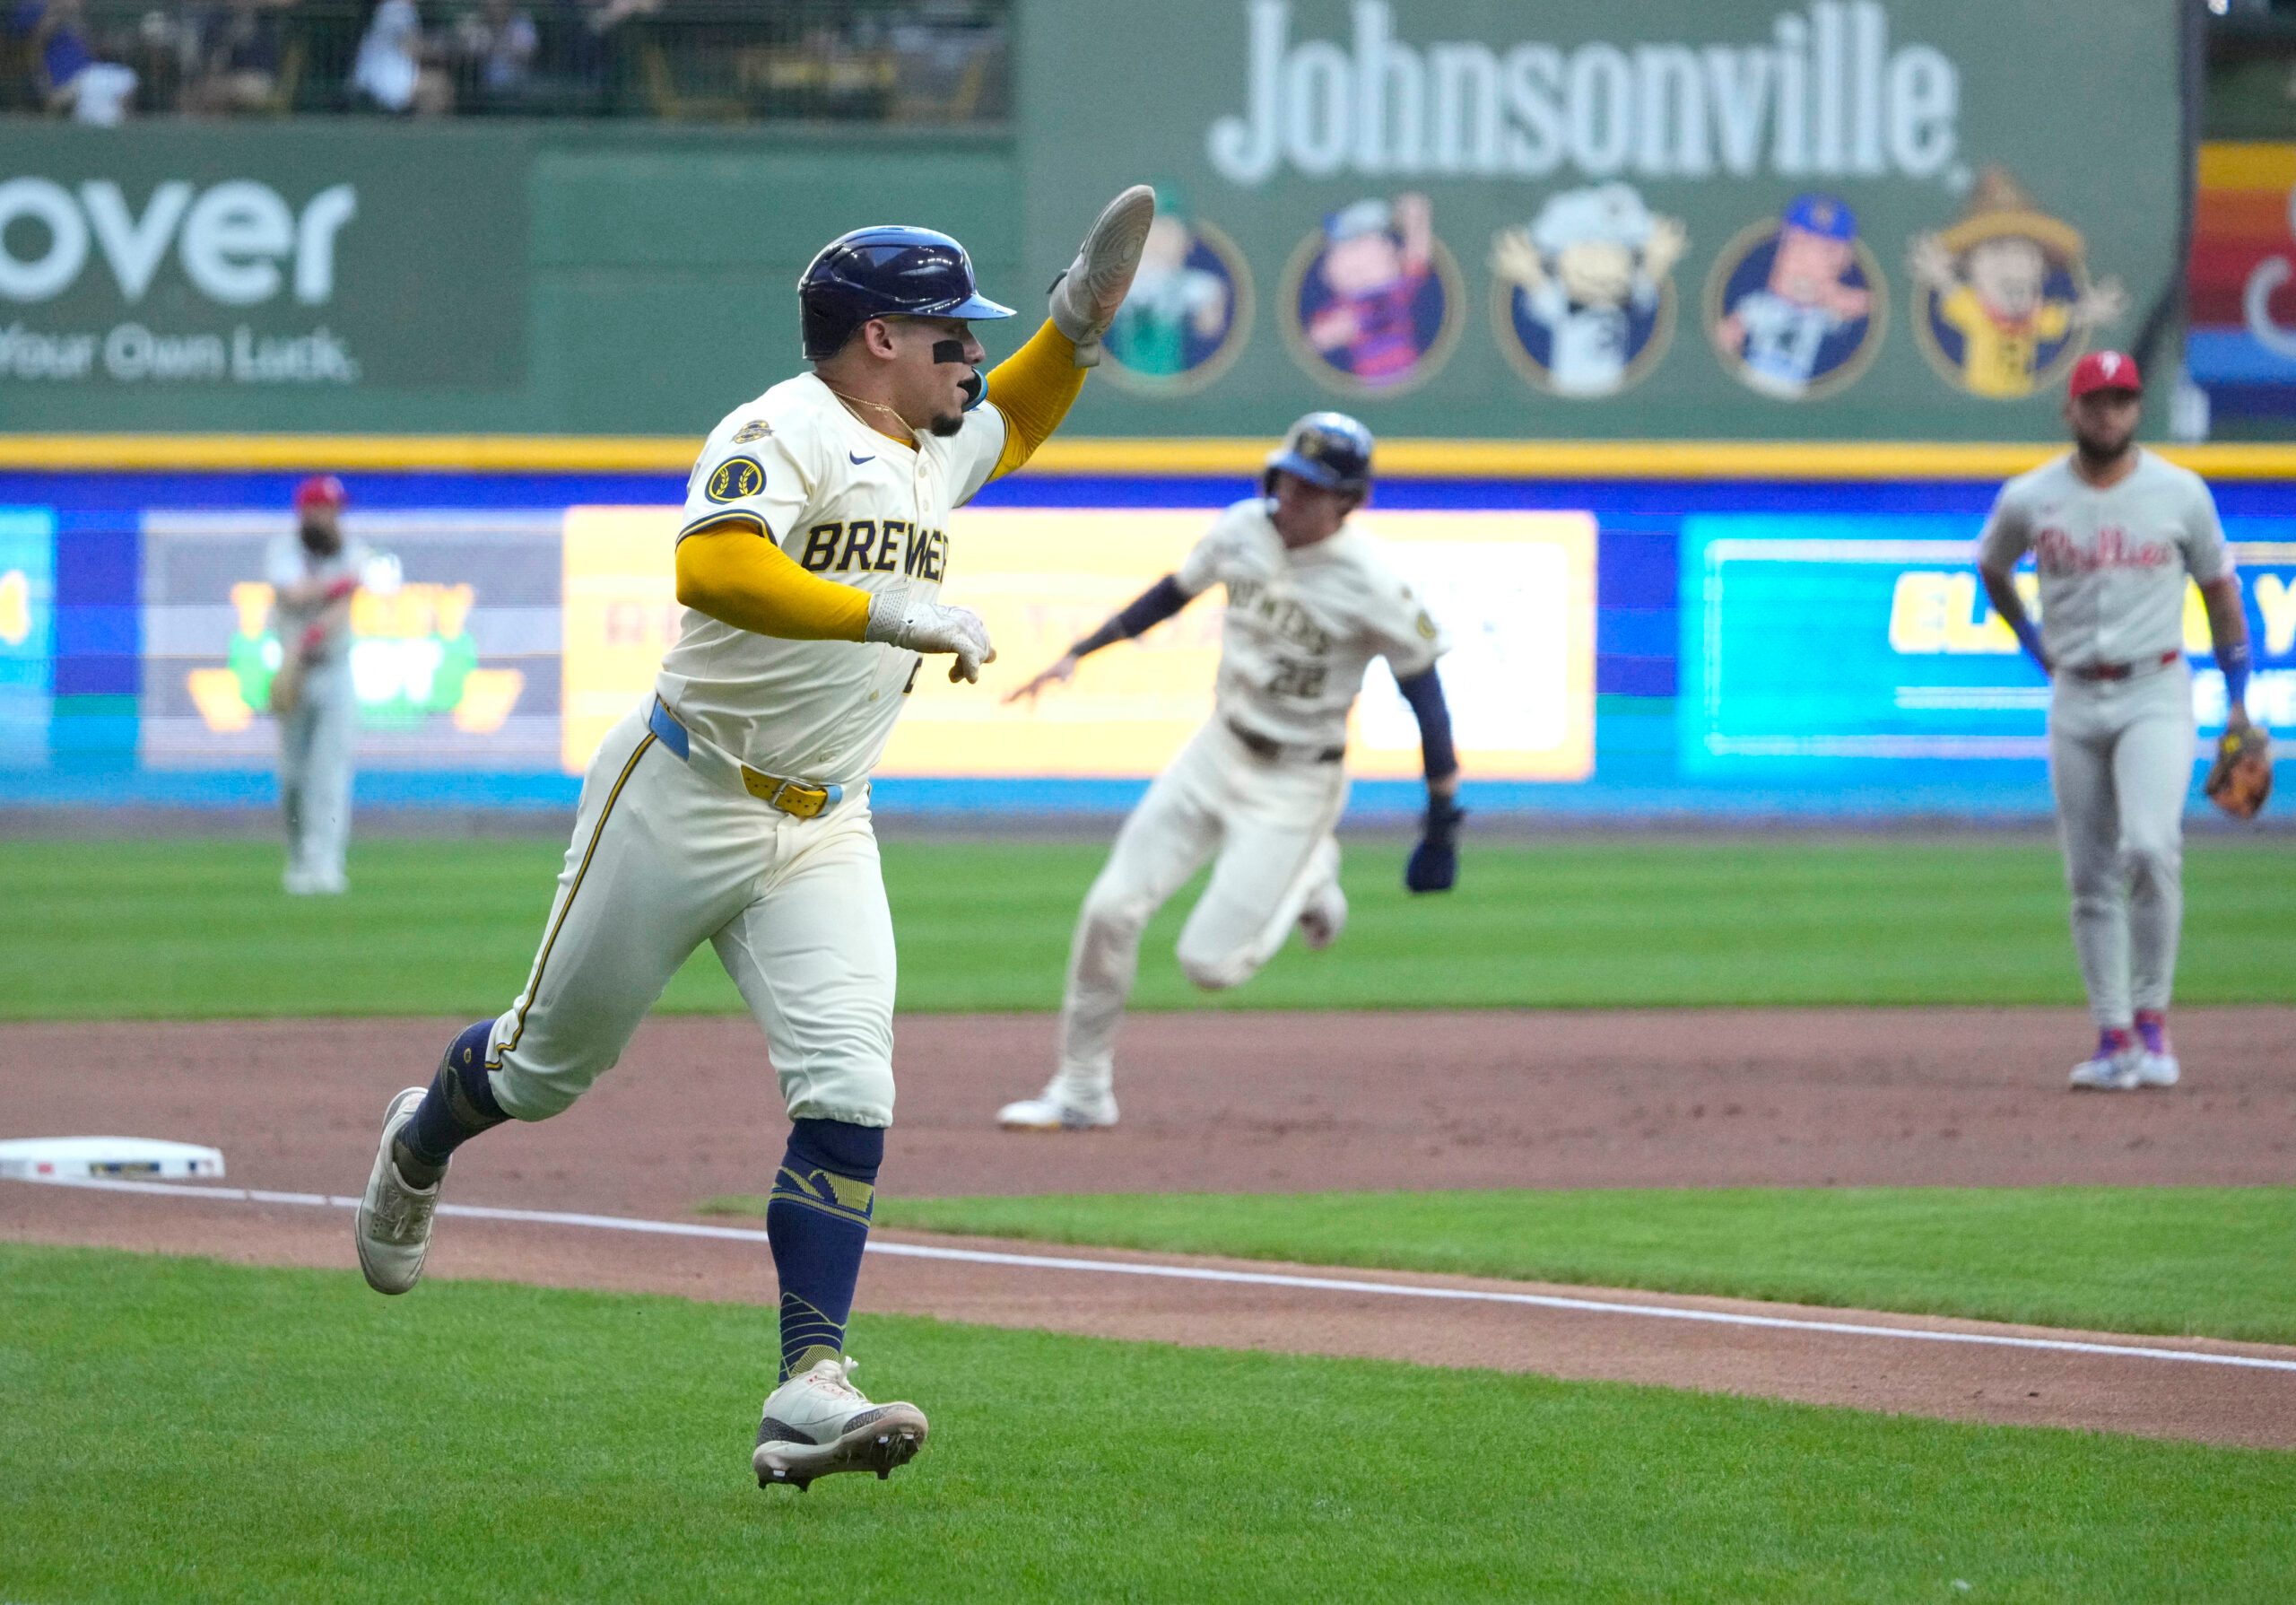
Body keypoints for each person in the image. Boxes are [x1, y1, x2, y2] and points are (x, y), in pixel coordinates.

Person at [353, 188, 1156, 1491]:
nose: (968, 353)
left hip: (826, 824)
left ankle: (809, 1382)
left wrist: (1075, 327)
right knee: (543, 1069)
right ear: (878, 337)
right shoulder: (777, 428)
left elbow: (1016, 411)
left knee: (851, 1093)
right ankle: (419, 1140)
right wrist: (890, 614)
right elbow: (715, 570)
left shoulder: (928, 440)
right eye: (950, 331)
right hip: (684, 793)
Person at [995, 412, 1464, 1132]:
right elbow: (1171, 594)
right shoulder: (1244, 526)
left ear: (1349, 500)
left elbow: (1427, 702)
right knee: (1110, 909)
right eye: (1287, 479)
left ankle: (1311, 874)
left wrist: (1442, 824)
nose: (1292, 497)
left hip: (1297, 782)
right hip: (1216, 749)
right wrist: (1078, 653)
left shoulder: (1375, 583)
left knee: (1210, 965)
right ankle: (1082, 1089)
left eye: (1312, 488)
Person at [1977, 351, 2255, 1091]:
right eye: (2096, 401)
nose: (2109, 413)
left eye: (2122, 400)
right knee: (2089, 874)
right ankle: (2113, 1039)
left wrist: (2237, 696)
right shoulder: (2029, 497)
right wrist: (2036, 645)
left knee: (2151, 846)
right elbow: (1993, 569)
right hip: (2074, 695)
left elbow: (2221, 593)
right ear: (2071, 410)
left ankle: (2154, 1022)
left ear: (2137, 410)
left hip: (2155, 689)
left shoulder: (2180, 492)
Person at [268, 475, 366, 897]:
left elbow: (339, 609)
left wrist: (324, 611)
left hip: (334, 666)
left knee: (330, 772)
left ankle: (327, 865)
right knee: (292, 776)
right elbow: (293, 594)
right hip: (292, 669)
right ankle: (298, 859)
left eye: (335, 510)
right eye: (322, 509)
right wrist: (334, 585)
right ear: (306, 511)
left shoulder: (353, 549)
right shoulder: (284, 550)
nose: (331, 517)